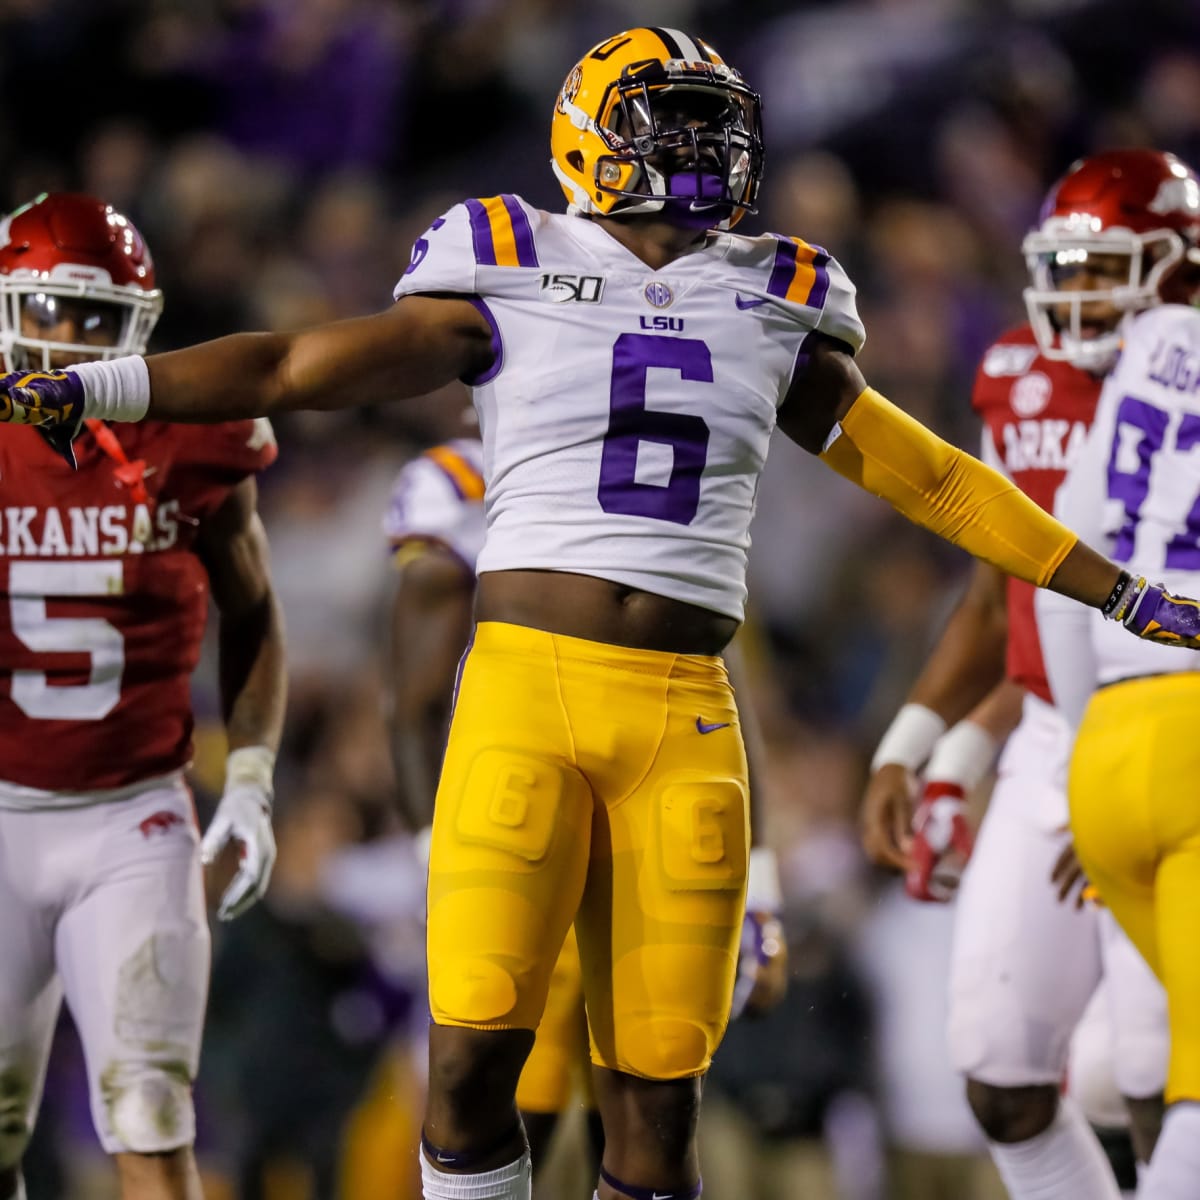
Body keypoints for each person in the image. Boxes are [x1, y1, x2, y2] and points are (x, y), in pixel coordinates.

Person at [1, 33, 1199, 1200]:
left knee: (662, 1093)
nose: (695, 146)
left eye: (710, 125)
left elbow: (931, 474)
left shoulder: (776, 290)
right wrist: (109, 384)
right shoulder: (509, 257)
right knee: (471, 1057)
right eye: (667, 120)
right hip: (525, 690)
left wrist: (1116, 587)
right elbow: (289, 365)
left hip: (684, 711)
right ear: (587, 133)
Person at [861, 149, 1197, 1198]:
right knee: (1004, 1069)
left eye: (1105, 272)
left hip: (1127, 718)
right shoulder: (1017, 373)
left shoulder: (1152, 371)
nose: (1077, 296)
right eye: (1068, 269)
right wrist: (923, 741)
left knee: (1144, 1065)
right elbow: (1018, 586)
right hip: (1080, 729)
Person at [381, 429, 787, 1192]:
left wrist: (761, 888)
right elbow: (412, 705)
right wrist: (433, 859)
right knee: (500, 1089)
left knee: (651, 1091)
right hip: (514, 823)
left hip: (648, 806)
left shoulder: (646, 458)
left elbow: (716, 684)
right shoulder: (459, 491)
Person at [0, 192, 286, 1200]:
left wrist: (249, 781)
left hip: (134, 818)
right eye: (50, 314)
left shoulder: (192, 438)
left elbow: (253, 609)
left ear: (140, 330)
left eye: (95, 320)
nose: (69, 344)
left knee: (153, 1126)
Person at [1039, 269, 1200, 1199]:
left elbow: (1065, 573)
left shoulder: (1153, 346)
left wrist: (1077, 754)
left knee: (1153, 1056)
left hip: (1111, 734)